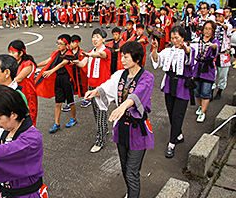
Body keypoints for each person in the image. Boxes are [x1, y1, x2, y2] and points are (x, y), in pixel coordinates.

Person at [85, 41, 154, 198]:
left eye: (126, 56)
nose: (122, 59)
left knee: (132, 171)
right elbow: (107, 87)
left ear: (136, 58)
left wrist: (123, 107)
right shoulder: (119, 75)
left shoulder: (147, 77)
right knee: (124, 168)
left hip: (137, 129)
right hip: (121, 127)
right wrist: (95, 92)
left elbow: (139, 93)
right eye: (122, 56)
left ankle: (132, 195)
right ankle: (130, 192)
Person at [150, 26, 195, 158]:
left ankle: (172, 143)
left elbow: (190, 58)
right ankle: (178, 134)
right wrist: (154, 49)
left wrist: (185, 47)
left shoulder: (189, 50)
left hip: (183, 85)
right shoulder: (168, 51)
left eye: (177, 37)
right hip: (170, 83)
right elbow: (157, 60)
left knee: (177, 115)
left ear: (183, 37)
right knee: (171, 113)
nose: (175, 40)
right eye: (173, 37)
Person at [72, 28, 111, 152]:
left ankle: (100, 140)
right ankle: (104, 129)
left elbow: (101, 55)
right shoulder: (90, 52)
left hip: (102, 88)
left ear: (103, 39)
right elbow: (83, 64)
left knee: (100, 112)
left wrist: (89, 55)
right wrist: (74, 61)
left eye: (98, 37)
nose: (95, 39)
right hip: (91, 86)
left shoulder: (106, 52)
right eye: (93, 36)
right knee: (96, 112)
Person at [36, 34, 78, 132]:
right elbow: (48, 61)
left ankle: (73, 118)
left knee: (70, 101)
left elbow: (63, 63)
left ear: (67, 45)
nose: (58, 45)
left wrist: (51, 71)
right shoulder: (56, 53)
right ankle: (56, 123)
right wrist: (35, 65)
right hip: (58, 79)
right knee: (58, 102)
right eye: (57, 43)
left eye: (61, 44)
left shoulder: (69, 54)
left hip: (67, 79)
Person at [193, 21, 220, 122]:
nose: (207, 31)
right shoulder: (198, 40)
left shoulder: (215, 41)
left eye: (210, 29)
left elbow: (216, 47)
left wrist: (212, 46)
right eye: (206, 28)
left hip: (208, 68)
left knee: (205, 91)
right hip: (197, 68)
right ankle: (201, 106)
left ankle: (203, 112)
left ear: (213, 31)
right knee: (196, 91)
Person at [8, 40, 38, 126]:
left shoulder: (28, 64)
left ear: (21, 53)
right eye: (10, 52)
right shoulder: (13, 64)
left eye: (13, 52)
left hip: (28, 97)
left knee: (28, 122)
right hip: (17, 96)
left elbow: (18, 79)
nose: (10, 55)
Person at [213, 9, 232, 100]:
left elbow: (228, 29)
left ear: (224, 17)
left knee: (222, 75)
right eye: (216, 16)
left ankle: (220, 90)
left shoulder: (228, 25)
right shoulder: (214, 26)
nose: (217, 18)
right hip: (214, 54)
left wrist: (222, 25)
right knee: (212, 73)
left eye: (220, 16)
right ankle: (211, 91)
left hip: (224, 54)